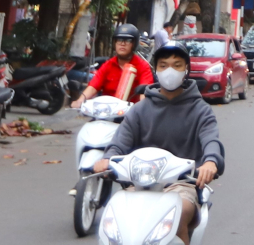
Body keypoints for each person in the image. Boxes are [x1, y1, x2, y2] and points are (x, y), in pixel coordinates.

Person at [94, 43, 223, 244]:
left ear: (186, 70)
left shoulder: (201, 110)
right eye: (163, 65)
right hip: (139, 185)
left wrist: (211, 162)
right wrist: (107, 159)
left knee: (176, 215)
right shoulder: (139, 110)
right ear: (156, 70)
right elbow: (119, 143)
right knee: (114, 219)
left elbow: (211, 141)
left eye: (177, 65)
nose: (169, 70)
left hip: (182, 185)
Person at [75, 24, 155, 105]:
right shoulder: (108, 65)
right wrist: (80, 101)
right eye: (119, 40)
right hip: (107, 111)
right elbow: (93, 86)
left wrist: (143, 108)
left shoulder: (143, 66)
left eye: (128, 40)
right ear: (115, 43)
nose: (122, 44)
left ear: (134, 44)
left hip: (132, 113)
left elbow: (144, 94)